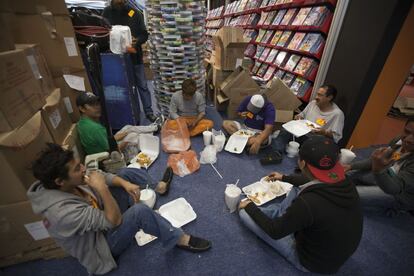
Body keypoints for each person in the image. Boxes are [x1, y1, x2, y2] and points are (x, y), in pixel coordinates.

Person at [27, 144, 211, 275]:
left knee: (124, 173)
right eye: (77, 168)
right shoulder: (61, 214)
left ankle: (159, 186)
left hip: (103, 214)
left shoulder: (68, 181)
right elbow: (113, 221)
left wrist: (124, 183)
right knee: (140, 212)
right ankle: (179, 239)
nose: (83, 168)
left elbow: (105, 176)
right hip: (102, 247)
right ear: (60, 182)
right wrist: (102, 189)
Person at [239, 136, 362, 274]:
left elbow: (275, 232)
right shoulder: (346, 182)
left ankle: (279, 216)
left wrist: (249, 206)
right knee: (297, 186)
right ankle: (282, 216)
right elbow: (313, 180)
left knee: (244, 214)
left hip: (310, 262)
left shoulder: (308, 202)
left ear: (302, 163)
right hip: (332, 255)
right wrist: (284, 177)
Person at [344, 118, 414, 216]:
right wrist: (351, 166)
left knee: (348, 196)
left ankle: (398, 209)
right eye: (407, 132)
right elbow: (377, 160)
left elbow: (394, 188)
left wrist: (378, 170)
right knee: (342, 176)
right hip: (386, 173)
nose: (409, 140)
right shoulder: (399, 140)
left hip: (399, 194)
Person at [102, 0, 156, 122]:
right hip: (116, 60)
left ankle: (148, 111)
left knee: (142, 85)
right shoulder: (106, 13)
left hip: (134, 57)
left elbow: (144, 34)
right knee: (123, 87)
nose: (121, 1)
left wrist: (137, 41)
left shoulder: (135, 13)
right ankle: (130, 114)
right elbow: (102, 33)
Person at [76, 92, 158, 156]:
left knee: (128, 128)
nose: (97, 107)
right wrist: (126, 142)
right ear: (82, 108)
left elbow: (108, 140)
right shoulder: (95, 128)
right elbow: (114, 151)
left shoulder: (82, 122)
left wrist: (126, 132)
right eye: (92, 105)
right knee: (133, 135)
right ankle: (153, 131)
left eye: (97, 103)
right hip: (110, 159)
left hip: (104, 148)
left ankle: (154, 127)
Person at [274, 85, 344, 153]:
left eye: (320, 95)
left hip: (316, 139)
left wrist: (324, 132)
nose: (316, 97)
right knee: (285, 130)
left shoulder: (337, 114)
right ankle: (276, 152)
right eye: (317, 94)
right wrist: (298, 117)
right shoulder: (313, 103)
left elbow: (336, 136)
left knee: (309, 143)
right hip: (302, 131)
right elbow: (302, 115)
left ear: (329, 97)